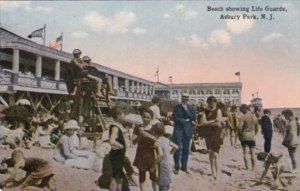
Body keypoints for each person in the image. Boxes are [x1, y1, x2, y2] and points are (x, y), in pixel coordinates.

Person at [132, 109, 158, 191]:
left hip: (151, 154)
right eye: (144, 117)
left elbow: (158, 141)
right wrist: (140, 135)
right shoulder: (137, 128)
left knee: (153, 177)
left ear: (151, 118)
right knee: (142, 176)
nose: (145, 119)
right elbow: (133, 142)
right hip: (141, 154)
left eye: (148, 117)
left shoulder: (155, 128)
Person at [199, 96, 224, 180]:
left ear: (215, 103)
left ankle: (218, 173)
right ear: (208, 103)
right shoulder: (204, 112)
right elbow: (202, 123)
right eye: (210, 102)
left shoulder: (218, 110)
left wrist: (208, 123)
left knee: (216, 154)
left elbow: (219, 121)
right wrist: (213, 121)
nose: (212, 103)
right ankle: (213, 172)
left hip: (216, 134)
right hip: (208, 134)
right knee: (210, 153)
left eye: (213, 102)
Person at [172, 93, 196, 174]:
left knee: (186, 149)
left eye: (186, 98)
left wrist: (186, 110)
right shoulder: (177, 107)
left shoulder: (191, 108)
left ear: (188, 99)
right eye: (183, 98)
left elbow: (193, 117)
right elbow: (175, 118)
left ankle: (184, 167)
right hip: (178, 130)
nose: (185, 99)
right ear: (181, 98)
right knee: (177, 148)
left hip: (187, 131)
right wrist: (185, 121)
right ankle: (177, 167)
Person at [153, 123, 178, 191]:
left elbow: (160, 154)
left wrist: (153, 165)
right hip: (169, 165)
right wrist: (170, 154)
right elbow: (176, 147)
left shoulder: (157, 142)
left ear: (154, 132)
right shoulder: (166, 139)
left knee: (163, 187)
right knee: (166, 185)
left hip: (163, 166)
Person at [108, 106, 127, 191]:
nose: (124, 116)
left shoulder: (118, 126)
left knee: (119, 177)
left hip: (119, 155)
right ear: (118, 115)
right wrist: (121, 146)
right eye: (123, 114)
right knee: (115, 178)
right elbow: (112, 141)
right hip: (117, 155)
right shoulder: (115, 127)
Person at [237, 104, 259, 170]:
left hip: (244, 136)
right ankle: (253, 168)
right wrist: (254, 133)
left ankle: (247, 168)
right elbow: (257, 128)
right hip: (252, 136)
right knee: (253, 153)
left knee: (245, 153)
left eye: (242, 110)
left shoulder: (243, 117)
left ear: (245, 109)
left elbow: (239, 128)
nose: (241, 112)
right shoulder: (254, 117)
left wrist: (239, 135)